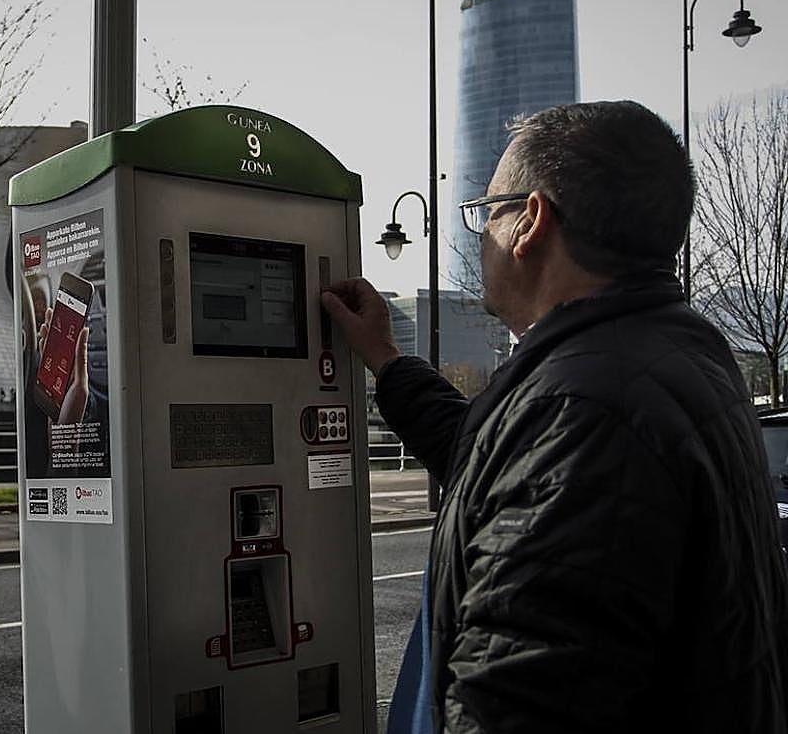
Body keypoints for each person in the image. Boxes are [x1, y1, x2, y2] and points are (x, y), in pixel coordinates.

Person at [322, 100, 788, 733]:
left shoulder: (584, 409)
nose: (481, 233)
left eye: (487, 213)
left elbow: (518, 701)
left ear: (531, 220)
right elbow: (497, 462)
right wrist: (385, 358)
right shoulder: (669, 355)